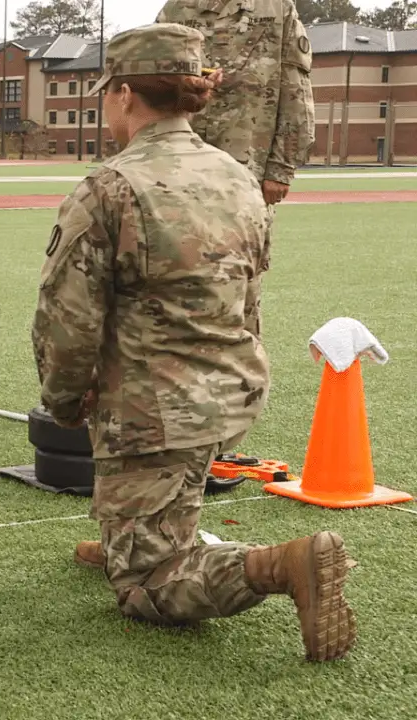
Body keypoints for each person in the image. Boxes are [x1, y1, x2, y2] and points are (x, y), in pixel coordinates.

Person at [32, 23, 356, 662]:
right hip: (231, 391)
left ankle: (274, 565)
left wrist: (64, 401)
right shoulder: (239, 178)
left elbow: (68, 321)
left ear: (126, 95)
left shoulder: (111, 187)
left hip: (155, 410)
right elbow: (250, 296)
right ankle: (138, 528)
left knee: (146, 589)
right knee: (159, 486)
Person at [155, 0, 315, 209]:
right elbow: (153, 88)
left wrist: (281, 168)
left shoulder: (277, 8)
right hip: (181, 164)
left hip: (247, 168)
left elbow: (295, 91)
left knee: (243, 240)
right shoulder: (175, 10)